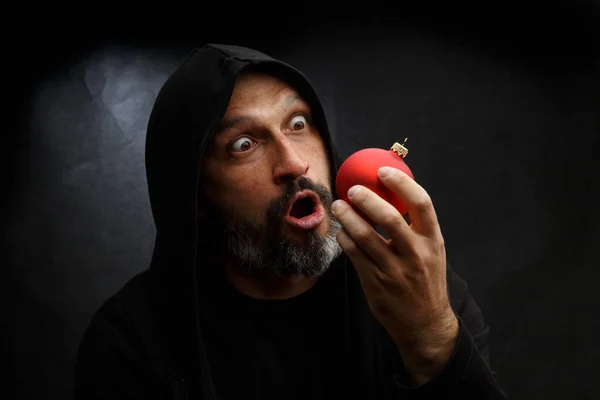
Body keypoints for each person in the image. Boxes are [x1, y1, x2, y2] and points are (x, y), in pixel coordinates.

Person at [74, 44, 509, 399]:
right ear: (198, 193)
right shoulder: (130, 342)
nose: (294, 163)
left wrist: (432, 338)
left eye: (298, 123)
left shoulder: (414, 284)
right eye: (244, 144)